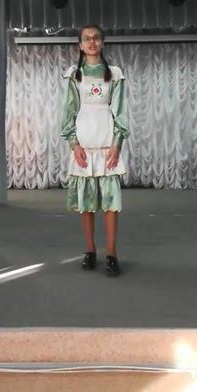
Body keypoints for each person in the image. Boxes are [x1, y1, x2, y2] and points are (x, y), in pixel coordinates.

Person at [61, 24, 129, 277]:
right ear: (80, 45)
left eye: (96, 38)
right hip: (84, 142)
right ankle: (89, 250)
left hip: (107, 141)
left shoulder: (115, 74)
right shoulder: (73, 74)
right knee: (86, 203)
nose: (91, 42)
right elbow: (68, 111)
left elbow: (119, 111)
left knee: (111, 204)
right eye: (87, 39)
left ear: (102, 42)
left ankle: (111, 254)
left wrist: (117, 144)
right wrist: (73, 144)